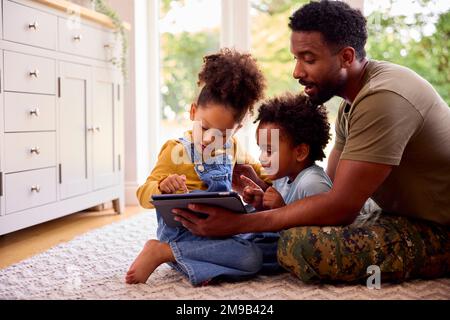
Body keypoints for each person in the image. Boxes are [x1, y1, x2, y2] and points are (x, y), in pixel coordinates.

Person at [173, 0, 450, 283]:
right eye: (296, 58)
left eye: (308, 58)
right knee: (284, 229)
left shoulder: (384, 97)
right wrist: (266, 191)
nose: (296, 71)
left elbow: (339, 207)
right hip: (395, 212)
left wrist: (237, 224)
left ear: (346, 57)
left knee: (300, 246)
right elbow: (326, 194)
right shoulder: (351, 104)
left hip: (439, 227)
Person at [126, 48, 271, 285]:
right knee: (252, 258)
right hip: (185, 235)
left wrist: (266, 188)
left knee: (271, 238)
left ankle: (203, 263)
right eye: (203, 128)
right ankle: (163, 251)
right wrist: (161, 187)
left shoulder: (233, 147)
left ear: (236, 131)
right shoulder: (176, 150)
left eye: (221, 134)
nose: (207, 140)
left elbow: (260, 173)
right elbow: (143, 194)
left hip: (221, 229)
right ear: (193, 112)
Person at [242, 92, 332, 212]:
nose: (261, 158)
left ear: (300, 152)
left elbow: (322, 228)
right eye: (261, 149)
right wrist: (261, 204)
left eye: (269, 151)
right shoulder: (282, 177)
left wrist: (281, 209)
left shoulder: (313, 184)